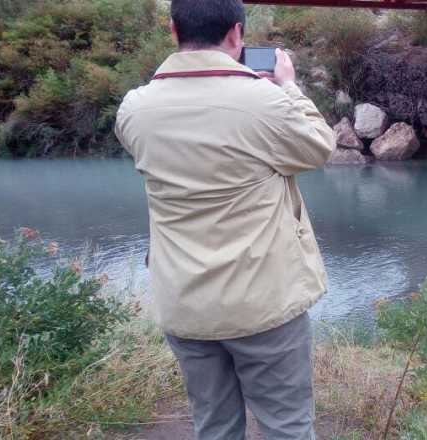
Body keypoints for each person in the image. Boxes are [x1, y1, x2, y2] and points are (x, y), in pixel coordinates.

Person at [113, 0, 335, 438]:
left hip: (185, 302)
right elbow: (319, 146)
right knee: (286, 425)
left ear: (174, 31)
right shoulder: (263, 102)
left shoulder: (134, 110)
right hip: (262, 302)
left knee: (213, 425)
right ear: (236, 34)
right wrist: (288, 87)